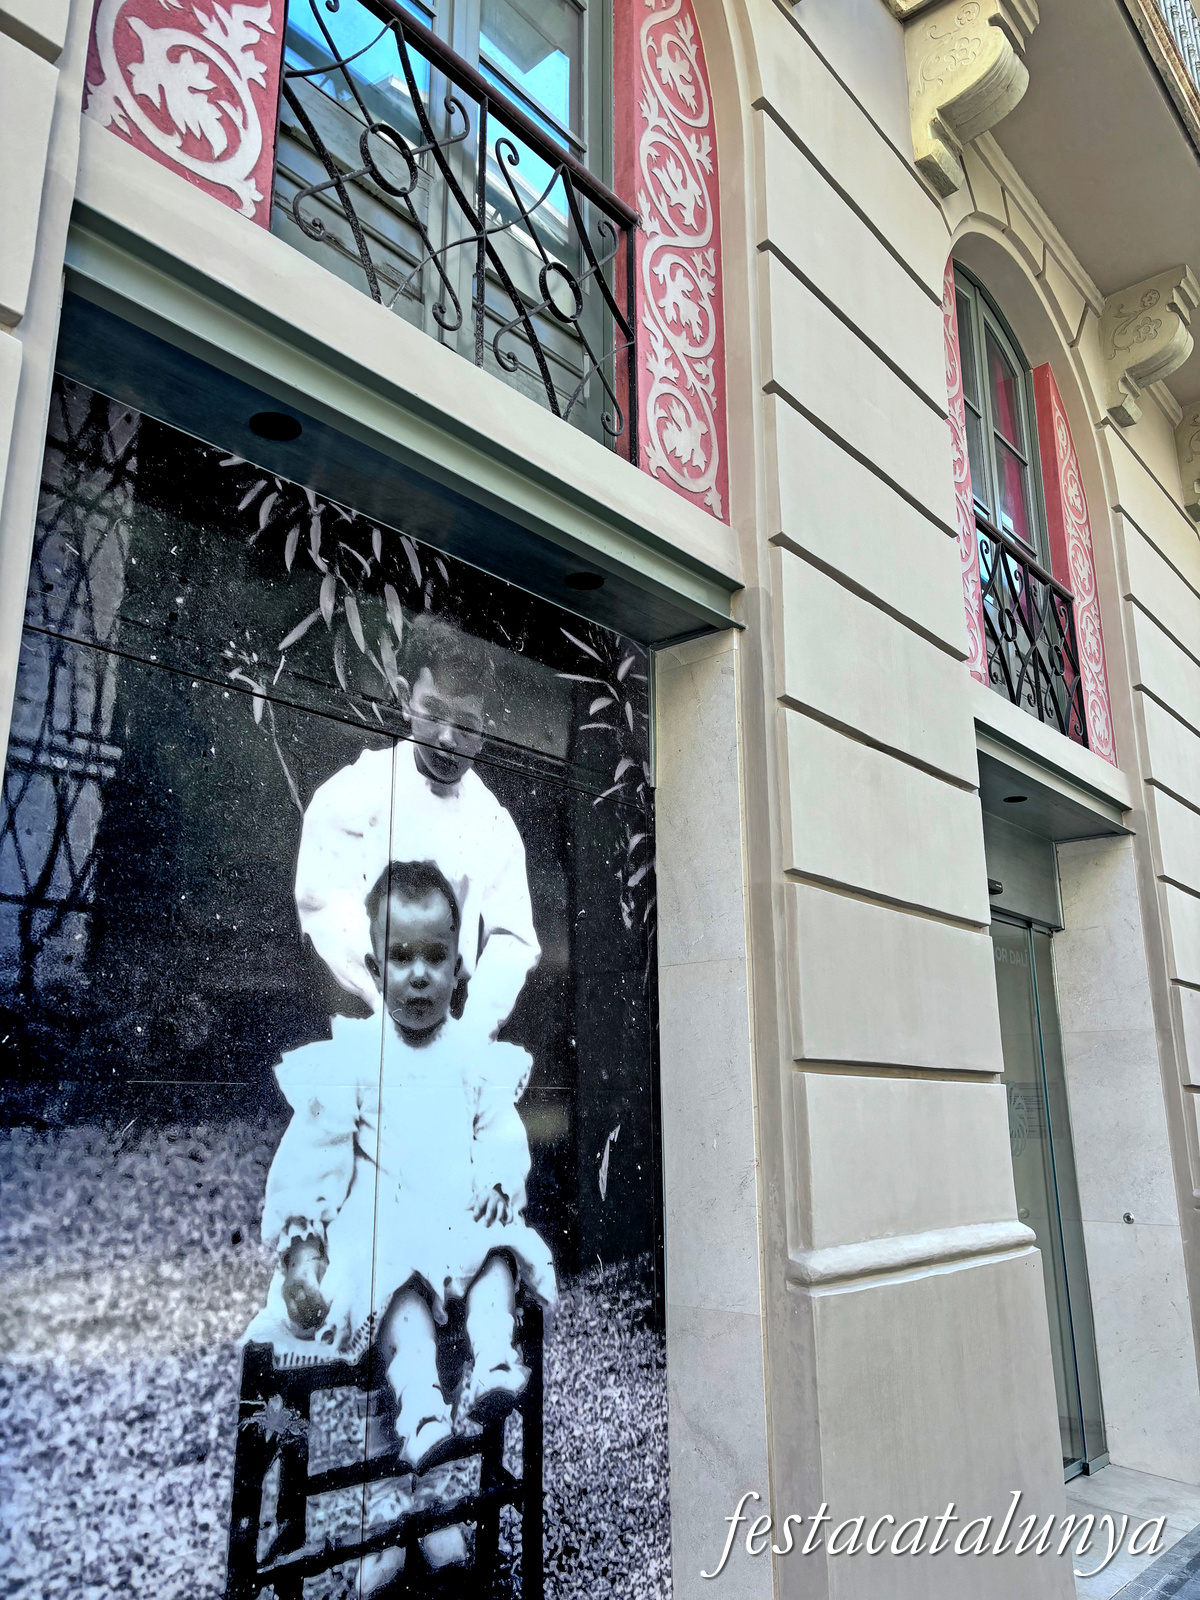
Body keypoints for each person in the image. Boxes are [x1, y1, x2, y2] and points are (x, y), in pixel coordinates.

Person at [244, 859, 556, 1591]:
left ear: (460, 965)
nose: (419, 976)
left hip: (454, 1231)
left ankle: (491, 1364)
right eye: (402, 959)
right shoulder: (355, 1059)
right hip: (386, 1245)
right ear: (376, 967)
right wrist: (304, 1247)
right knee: (403, 1315)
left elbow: (501, 1136)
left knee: (500, 1254)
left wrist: (496, 1185)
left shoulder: (476, 1062)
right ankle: (392, 1507)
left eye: (436, 958)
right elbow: (313, 1157)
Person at [293, 612, 539, 1042]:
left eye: (466, 725)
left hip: (458, 1025)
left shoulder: (492, 824)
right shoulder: (359, 791)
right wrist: (380, 992)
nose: (447, 737)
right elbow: (323, 901)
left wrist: (473, 1029)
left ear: (486, 733)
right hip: (364, 1012)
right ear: (406, 699)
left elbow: (512, 939)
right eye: (434, 712)